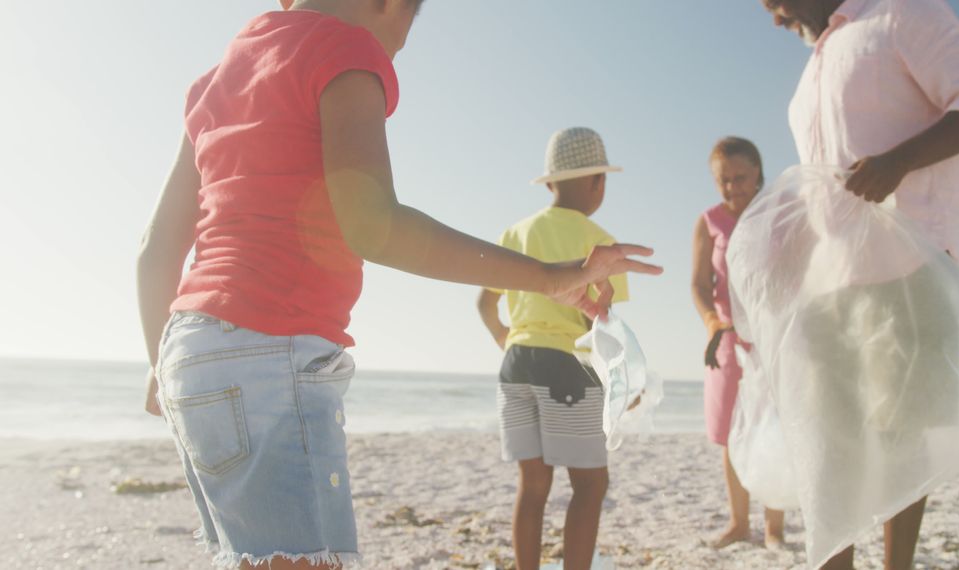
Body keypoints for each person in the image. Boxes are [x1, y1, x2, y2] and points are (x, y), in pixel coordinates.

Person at [136, 1, 662, 567]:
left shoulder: (216, 79)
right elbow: (375, 228)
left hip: (188, 353)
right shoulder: (343, 48)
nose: (387, 62)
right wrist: (548, 277)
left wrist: (159, 366)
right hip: (274, 356)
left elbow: (155, 251)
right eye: (398, 41)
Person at [758, 0, 959, 568]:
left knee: (903, 441)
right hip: (828, 285)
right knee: (826, 441)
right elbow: (821, 189)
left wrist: (897, 162)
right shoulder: (807, 78)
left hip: (910, 268)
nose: (774, 19)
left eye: (775, 3)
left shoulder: (903, 12)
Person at [476, 127, 626, 570]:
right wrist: (621, 382)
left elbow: (486, 302)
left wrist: (509, 339)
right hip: (566, 368)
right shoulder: (599, 241)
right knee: (590, 486)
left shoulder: (516, 232)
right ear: (598, 182)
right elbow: (599, 322)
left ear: (549, 182)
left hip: (516, 365)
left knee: (533, 485)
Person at [691, 137, 785, 549]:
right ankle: (738, 523)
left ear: (759, 174)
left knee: (773, 428)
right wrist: (712, 322)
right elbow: (698, 284)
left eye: (740, 178)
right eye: (723, 181)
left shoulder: (778, 213)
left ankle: (774, 529)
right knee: (732, 431)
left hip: (773, 340)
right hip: (727, 341)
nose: (732, 188)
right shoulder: (709, 221)